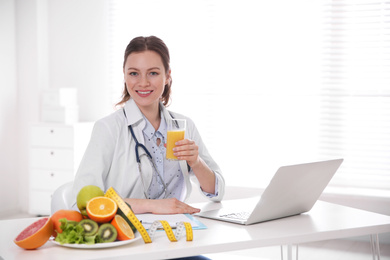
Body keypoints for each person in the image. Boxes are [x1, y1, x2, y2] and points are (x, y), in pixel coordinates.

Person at [71, 36, 225, 215]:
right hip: (130, 233)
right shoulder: (108, 129)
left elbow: (217, 192)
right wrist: (151, 206)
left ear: (167, 76)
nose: (143, 83)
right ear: (124, 75)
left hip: (180, 231)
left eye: (153, 73)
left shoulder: (183, 126)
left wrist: (196, 162)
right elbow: (83, 202)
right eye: (134, 73)